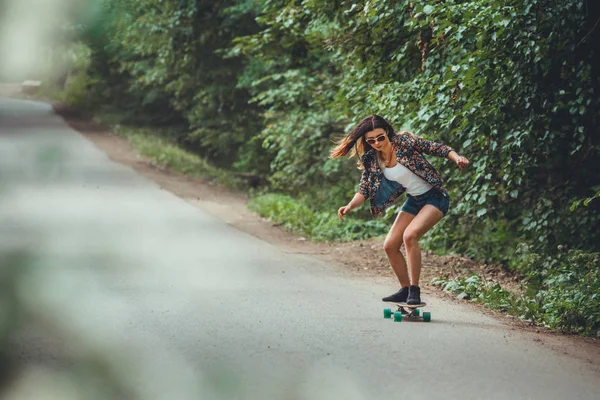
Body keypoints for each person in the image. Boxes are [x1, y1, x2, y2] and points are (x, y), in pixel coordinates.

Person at [330, 115, 469, 305]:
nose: (377, 143)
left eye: (380, 138)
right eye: (371, 140)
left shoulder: (404, 142)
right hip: (414, 200)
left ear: (386, 132)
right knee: (390, 245)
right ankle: (405, 289)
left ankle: (415, 290)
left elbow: (438, 148)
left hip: (436, 197)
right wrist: (350, 206)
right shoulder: (372, 158)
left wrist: (457, 158)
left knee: (410, 236)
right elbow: (365, 189)